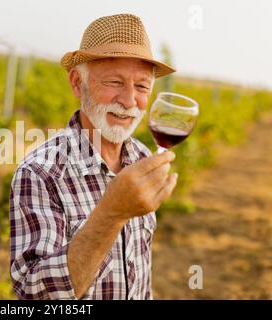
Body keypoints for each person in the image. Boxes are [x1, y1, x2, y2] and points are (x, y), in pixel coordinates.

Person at [10, 13, 178, 300]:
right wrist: (112, 213)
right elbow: (35, 295)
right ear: (77, 83)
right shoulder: (40, 173)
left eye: (141, 87)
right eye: (114, 82)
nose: (128, 101)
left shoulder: (141, 157)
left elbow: (139, 269)